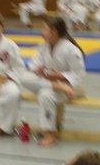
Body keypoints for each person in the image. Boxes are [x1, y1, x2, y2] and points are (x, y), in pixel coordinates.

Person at [20, 17, 86, 148]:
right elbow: (33, 65)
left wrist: (60, 76)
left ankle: (49, 133)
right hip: (52, 84)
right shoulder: (44, 47)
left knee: (45, 94)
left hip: (71, 87)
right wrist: (37, 69)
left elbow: (79, 75)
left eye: (44, 29)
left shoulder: (71, 49)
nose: (41, 31)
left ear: (54, 31)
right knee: (21, 76)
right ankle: (54, 86)